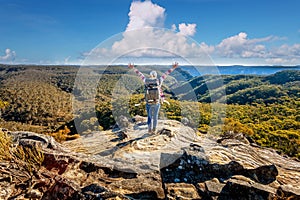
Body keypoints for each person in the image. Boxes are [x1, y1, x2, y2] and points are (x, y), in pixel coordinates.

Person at [128, 62, 179, 134]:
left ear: (150, 75)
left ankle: (149, 130)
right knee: (155, 116)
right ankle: (154, 130)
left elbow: (139, 74)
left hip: (148, 102)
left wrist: (133, 67)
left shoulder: (146, 80)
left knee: (149, 117)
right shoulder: (159, 80)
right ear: (155, 75)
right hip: (156, 102)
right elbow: (166, 73)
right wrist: (173, 67)